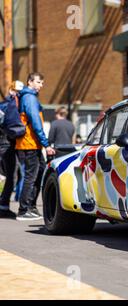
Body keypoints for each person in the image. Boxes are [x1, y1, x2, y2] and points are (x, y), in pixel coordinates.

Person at [15, 72, 55, 221]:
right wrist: (46, 144)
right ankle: (23, 209)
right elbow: (36, 123)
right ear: (30, 82)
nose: (41, 86)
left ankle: (31, 206)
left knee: (39, 173)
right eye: (38, 82)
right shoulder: (29, 98)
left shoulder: (28, 97)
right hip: (29, 143)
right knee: (31, 176)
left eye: (42, 83)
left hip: (32, 143)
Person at [0, 81, 24, 219]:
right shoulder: (10, 106)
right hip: (7, 144)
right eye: (16, 91)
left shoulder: (5, 105)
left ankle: (3, 204)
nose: (17, 94)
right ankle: (3, 206)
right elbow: (11, 128)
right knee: (11, 176)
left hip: (4, 144)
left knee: (10, 175)